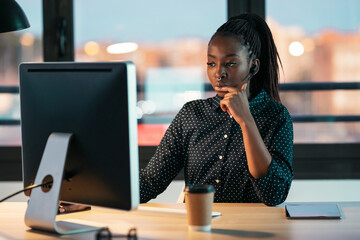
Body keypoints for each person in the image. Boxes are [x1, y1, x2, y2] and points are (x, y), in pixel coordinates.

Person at [139, 13, 293, 206]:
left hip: (254, 231)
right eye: (211, 63)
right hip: (200, 229)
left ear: (253, 67)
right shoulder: (191, 114)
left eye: (230, 63)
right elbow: (150, 182)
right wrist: (101, 192)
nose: (218, 73)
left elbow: (274, 195)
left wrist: (246, 121)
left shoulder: (276, 117)